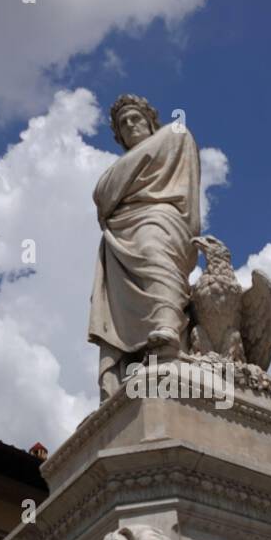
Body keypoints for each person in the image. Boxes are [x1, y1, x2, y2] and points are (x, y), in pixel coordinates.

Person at [88, 94, 201, 399]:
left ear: (151, 120)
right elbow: (102, 195)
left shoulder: (173, 135)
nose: (129, 125)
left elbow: (104, 191)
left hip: (161, 217)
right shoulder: (123, 166)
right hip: (119, 234)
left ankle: (167, 330)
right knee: (118, 305)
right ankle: (132, 363)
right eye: (122, 124)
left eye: (134, 117)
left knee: (156, 256)